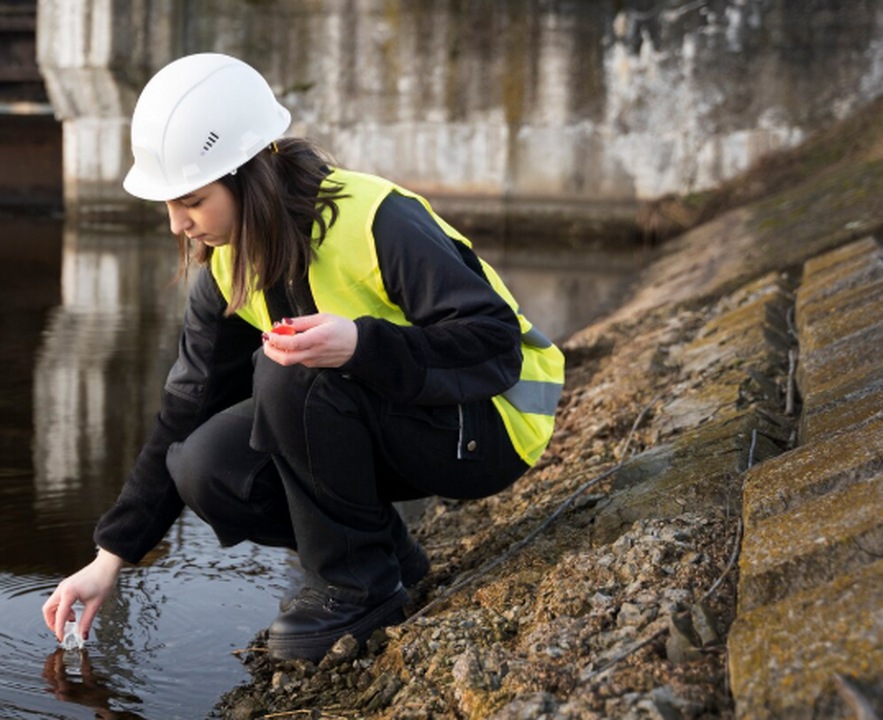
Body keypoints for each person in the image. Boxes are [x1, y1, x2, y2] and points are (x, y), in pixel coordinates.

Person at [42, 53, 564, 661]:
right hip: (406, 418)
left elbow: (494, 342)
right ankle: (385, 558)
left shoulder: (375, 219)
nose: (177, 225)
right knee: (203, 466)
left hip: (491, 425)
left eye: (192, 200)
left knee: (288, 374)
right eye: (169, 204)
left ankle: (355, 590)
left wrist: (364, 345)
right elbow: (182, 413)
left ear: (248, 174)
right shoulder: (228, 267)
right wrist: (111, 559)